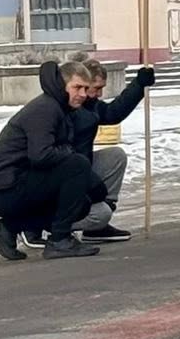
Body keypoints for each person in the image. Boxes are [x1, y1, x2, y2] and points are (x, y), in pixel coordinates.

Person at [0, 60, 107, 260]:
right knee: (78, 165)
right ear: (62, 85)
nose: (83, 94)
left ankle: (9, 227)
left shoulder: (58, 108)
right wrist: (70, 154)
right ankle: (59, 240)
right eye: (77, 87)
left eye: (85, 88)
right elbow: (41, 155)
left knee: (81, 203)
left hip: (16, 182)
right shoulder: (46, 108)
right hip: (5, 187)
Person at [58, 55, 152, 244]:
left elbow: (112, 113)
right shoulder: (66, 108)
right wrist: (89, 183)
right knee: (98, 213)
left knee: (115, 156)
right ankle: (56, 225)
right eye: (96, 89)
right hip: (66, 174)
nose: (99, 95)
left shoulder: (90, 106)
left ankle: (96, 227)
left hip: (81, 166)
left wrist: (139, 85)